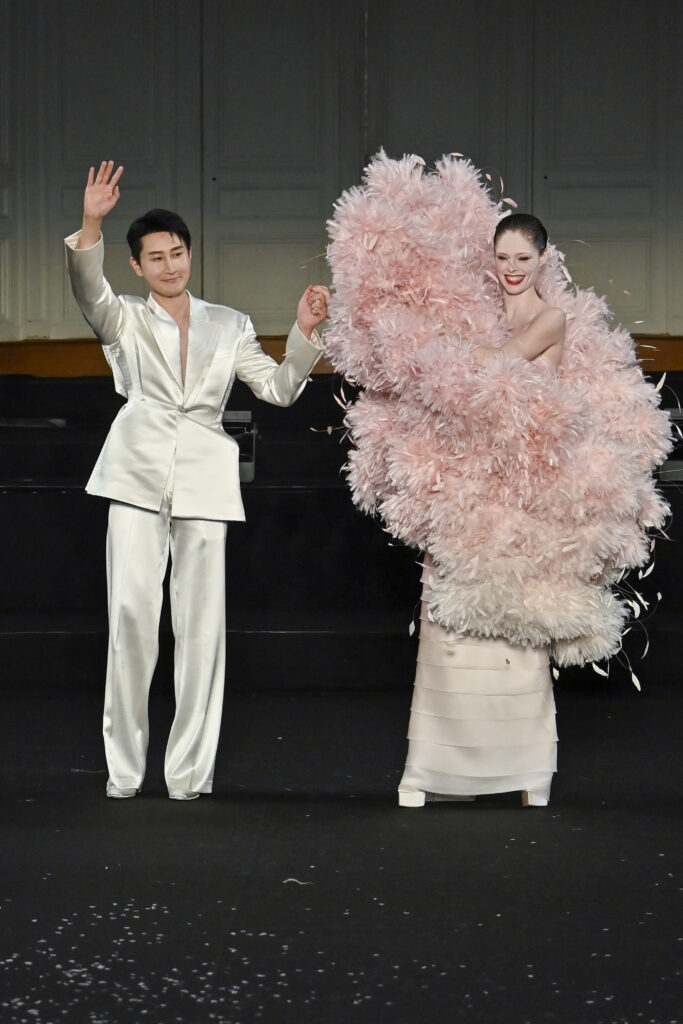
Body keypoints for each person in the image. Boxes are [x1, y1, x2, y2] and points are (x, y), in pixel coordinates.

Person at [65, 160, 330, 800]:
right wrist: (91, 224)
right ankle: (125, 771)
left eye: (177, 254)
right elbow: (89, 290)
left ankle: (187, 773)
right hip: (135, 474)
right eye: (155, 258)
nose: (169, 266)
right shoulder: (124, 318)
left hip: (206, 480)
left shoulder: (229, 324)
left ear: (190, 254)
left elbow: (279, 389)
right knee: (130, 619)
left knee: (203, 629)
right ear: (137, 266)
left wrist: (303, 332)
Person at [398, 213, 565, 808]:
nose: (512, 269)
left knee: (515, 628)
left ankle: (526, 773)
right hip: (465, 483)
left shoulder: (551, 318)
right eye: (502, 258)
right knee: (449, 623)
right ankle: (435, 771)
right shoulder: (476, 317)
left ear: (543, 258)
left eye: (523, 258)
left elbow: (498, 363)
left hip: (520, 488)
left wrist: (457, 354)